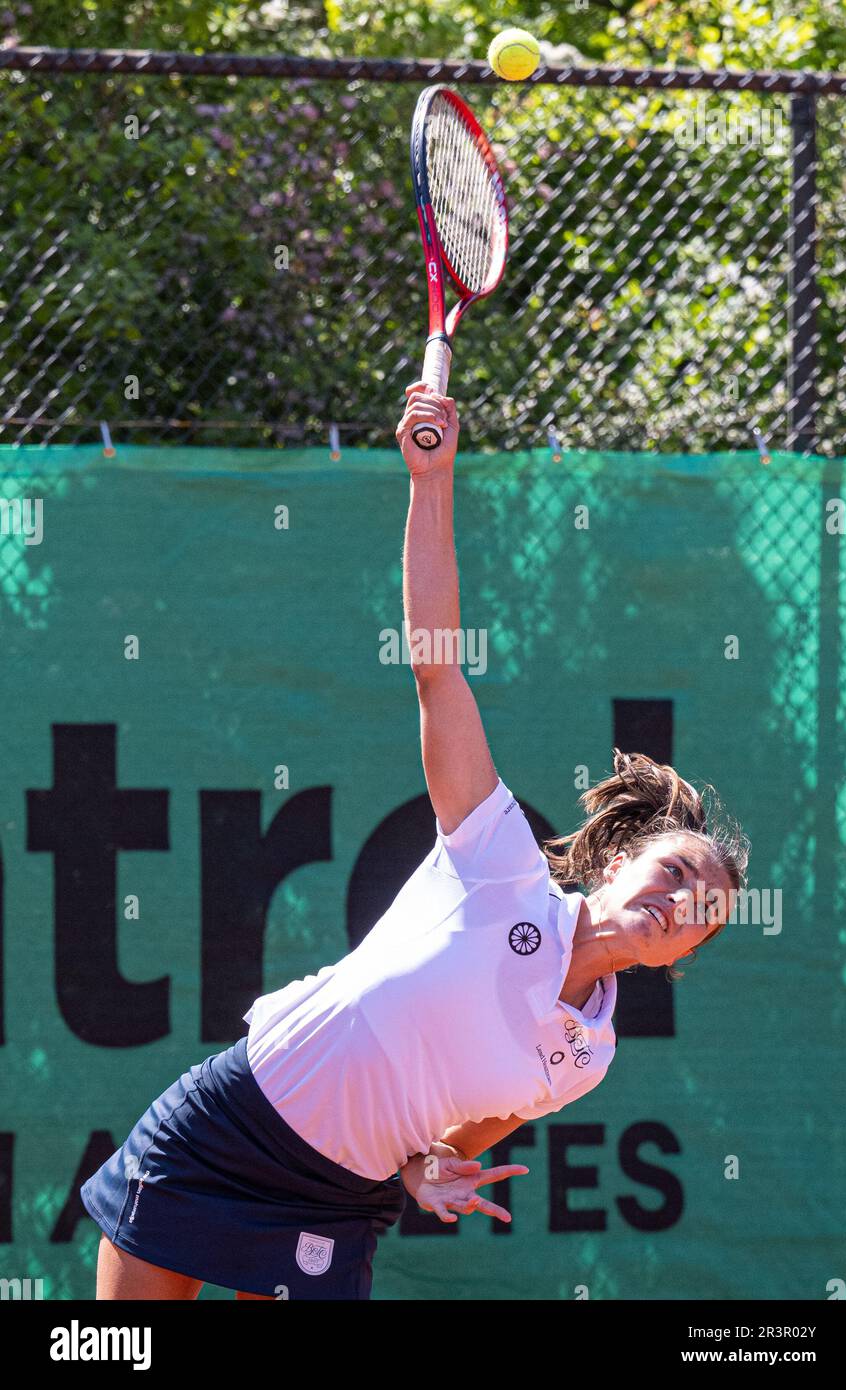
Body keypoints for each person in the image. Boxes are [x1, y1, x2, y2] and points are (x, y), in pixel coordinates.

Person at [80, 383, 749, 1300]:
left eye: (700, 913)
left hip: (335, 1199)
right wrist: (429, 482)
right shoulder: (498, 859)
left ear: (685, 951)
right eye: (675, 870)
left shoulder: (585, 1058)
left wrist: (425, 1175)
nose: (678, 902)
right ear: (618, 858)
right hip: (228, 1129)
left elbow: (443, 1148)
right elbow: (437, 670)